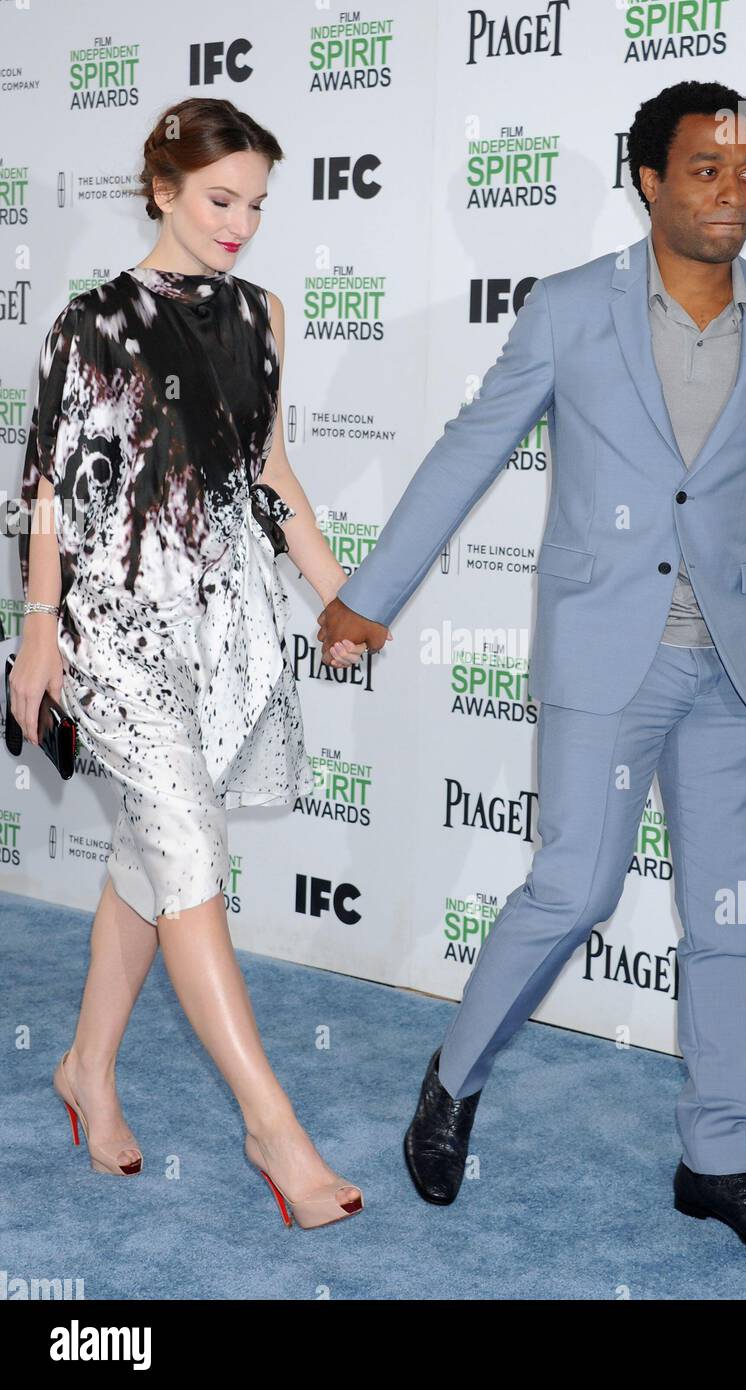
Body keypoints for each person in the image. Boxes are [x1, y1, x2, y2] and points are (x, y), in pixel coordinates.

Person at [319, 80, 746, 1251]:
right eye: (706, 167)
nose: (733, 190)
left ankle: (716, 1158)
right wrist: (368, 592)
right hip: (610, 654)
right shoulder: (568, 310)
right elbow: (473, 449)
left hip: (743, 668)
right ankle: (453, 1079)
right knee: (574, 885)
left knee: (728, 917)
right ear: (649, 180)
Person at [12, 96, 374, 1230]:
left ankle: (86, 1068)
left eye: (258, 204)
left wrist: (339, 589)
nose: (241, 223)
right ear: (162, 187)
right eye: (222, 199)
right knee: (188, 859)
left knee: (149, 853)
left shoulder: (264, 312)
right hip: (115, 631)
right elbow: (49, 493)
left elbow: (268, 469)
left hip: (223, 632)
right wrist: (36, 628)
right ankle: (274, 1126)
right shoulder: (90, 324)